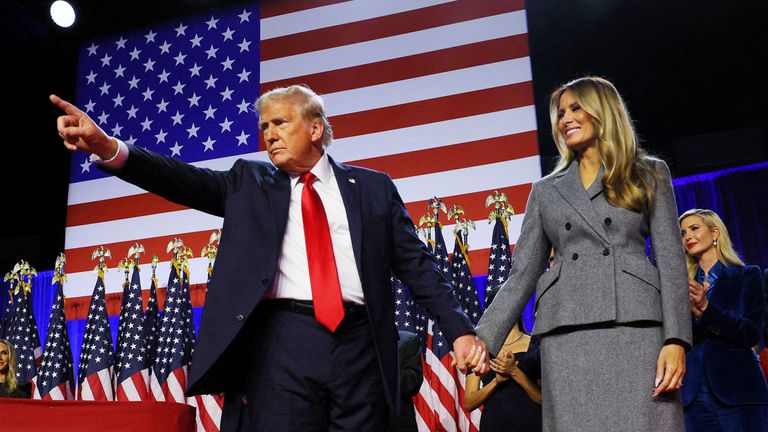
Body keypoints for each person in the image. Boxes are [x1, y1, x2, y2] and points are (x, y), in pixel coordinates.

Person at [51, 85, 488, 431]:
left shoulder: (372, 187)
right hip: (283, 342)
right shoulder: (249, 181)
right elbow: (179, 179)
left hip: (362, 345)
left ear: (315, 129)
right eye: (264, 127)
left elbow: (419, 266)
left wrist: (461, 332)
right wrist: (107, 146)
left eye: (280, 122)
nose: (270, 134)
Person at [474, 76, 692, 431]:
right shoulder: (545, 190)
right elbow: (523, 274)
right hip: (568, 332)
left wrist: (676, 339)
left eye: (575, 108)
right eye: (560, 113)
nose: (565, 119)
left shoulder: (648, 173)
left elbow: (670, 262)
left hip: (637, 328)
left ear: (602, 111)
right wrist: (482, 340)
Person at [678, 208, 768, 430]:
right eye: (682, 233)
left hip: (738, 390)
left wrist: (707, 309)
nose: (687, 236)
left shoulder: (747, 275)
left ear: (715, 232)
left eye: (694, 228)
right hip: (693, 395)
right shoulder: (680, 286)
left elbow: (751, 333)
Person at [465, 286, 542, 432]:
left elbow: (542, 398)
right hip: (494, 425)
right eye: (499, 304)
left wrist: (514, 372)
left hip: (532, 424)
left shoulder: (535, 344)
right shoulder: (480, 349)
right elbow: (469, 403)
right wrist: (496, 381)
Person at [389, 331, 423, 432]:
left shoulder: (407, 340)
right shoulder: (350, 346)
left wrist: (383, 360)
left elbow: (411, 385)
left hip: (396, 423)